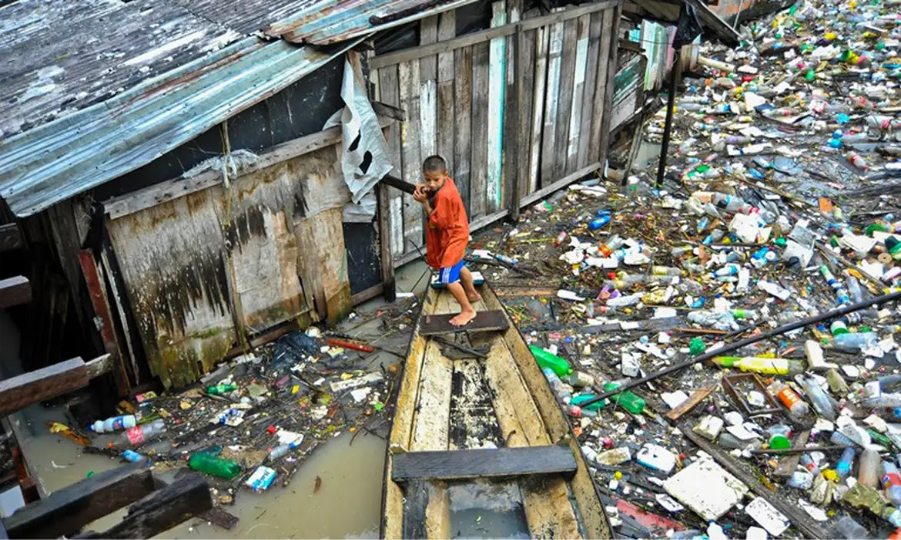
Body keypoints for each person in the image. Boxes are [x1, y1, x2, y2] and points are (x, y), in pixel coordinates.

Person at [413, 155, 481, 326]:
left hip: (453, 236)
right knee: (458, 265)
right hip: (460, 232)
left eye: (436, 180)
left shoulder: (444, 195)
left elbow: (439, 223)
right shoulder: (447, 182)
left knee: (447, 277)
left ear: (445, 174)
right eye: (427, 180)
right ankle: (472, 294)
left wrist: (424, 203)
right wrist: (427, 190)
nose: (432, 184)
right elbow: (434, 189)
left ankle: (467, 310)